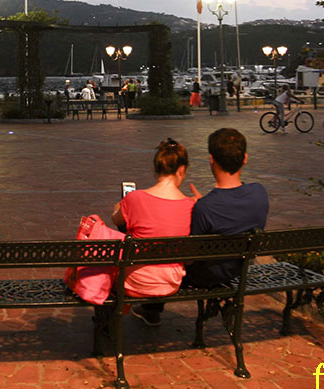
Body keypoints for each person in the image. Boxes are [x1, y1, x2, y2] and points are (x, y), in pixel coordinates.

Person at [110, 139, 195, 327]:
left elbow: (116, 220)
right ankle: (152, 311)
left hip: (133, 282)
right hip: (171, 282)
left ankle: (109, 322)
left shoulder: (135, 198)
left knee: (127, 230)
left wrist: (121, 207)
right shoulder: (191, 206)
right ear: (181, 170)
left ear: (157, 169)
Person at [185, 127, 269, 288]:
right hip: (241, 269)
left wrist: (202, 206)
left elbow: (190, 258)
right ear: (245, 158)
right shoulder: (259, 192)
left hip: (207, 275)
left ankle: (151, 308)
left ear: (212, 160)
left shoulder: (205, 208)